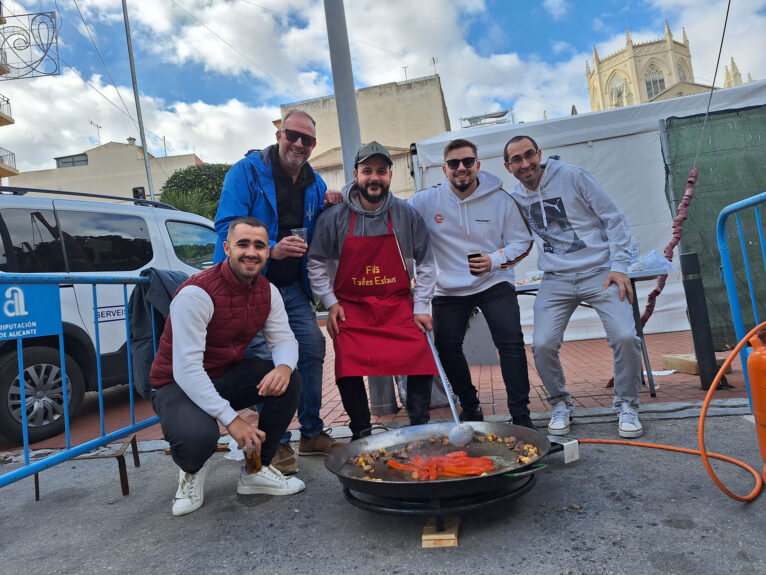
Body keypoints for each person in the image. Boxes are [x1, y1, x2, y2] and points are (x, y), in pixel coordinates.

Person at [213, 110, 340, 476]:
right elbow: (225, 227)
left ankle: (312, 432)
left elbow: (317, 228)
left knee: (312, 349)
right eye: (293, 136)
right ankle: (276, 442)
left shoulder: (314, 183)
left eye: (308, 140)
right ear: (279, 134)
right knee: (266, 364)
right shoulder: (246, 172)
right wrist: (271, 247)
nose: (299, 144)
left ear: (314, 146)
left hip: (291, 287)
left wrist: (331, 201)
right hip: (252, 287)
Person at [150, 218, 305, 516]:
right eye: (243, 244)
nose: (251, 252)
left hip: (223, 374)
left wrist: (284, 368)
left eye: (259, 245)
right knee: (199, 437)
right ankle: (191, 471)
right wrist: (232, 421)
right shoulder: (196, 294)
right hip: (175, 384)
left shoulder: (267, 291)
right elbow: (186, 370)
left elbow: (284, 339)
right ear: (226, 248)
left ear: (267, 252)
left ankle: (257, 469)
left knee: (290, 380)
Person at [503, 135, 643, 438]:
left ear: (539, 154)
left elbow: (613, 219)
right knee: (541, 344)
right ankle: (561, 404)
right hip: (555, 279)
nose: (525, 163)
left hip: (599, 271)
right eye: (517, 159)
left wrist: (619, 266)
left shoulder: (572, 176)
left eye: (529, 155)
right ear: (508, 166)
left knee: (625, 336)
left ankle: (627, 404)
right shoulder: (514, 197)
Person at [307, 142, 438, 439]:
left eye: (381, 171)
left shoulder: (407, 214)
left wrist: (422, 307)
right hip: (351, 307)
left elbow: (427, 263)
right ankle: (361, 431)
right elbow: (315, 263)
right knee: (347, 364)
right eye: (367, 171)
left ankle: (420, 426)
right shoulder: (333, 218)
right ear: (355, 174)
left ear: (390, 175)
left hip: (398, 305)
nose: (374, 177)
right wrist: (330, 302)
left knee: (421, 352)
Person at [408, 138, 535, 428]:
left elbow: (523, 241)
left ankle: (521, 416)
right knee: (446, 346)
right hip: (448, 288)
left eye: (467, 162)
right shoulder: (425, 200)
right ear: (445, 169)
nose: (461, 168)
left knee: (510, 342)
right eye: (454, 163)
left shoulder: (501, 199)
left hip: (493, 282)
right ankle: (470, 405)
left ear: (478, 165)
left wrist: (495, 259)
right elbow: (392, 212)